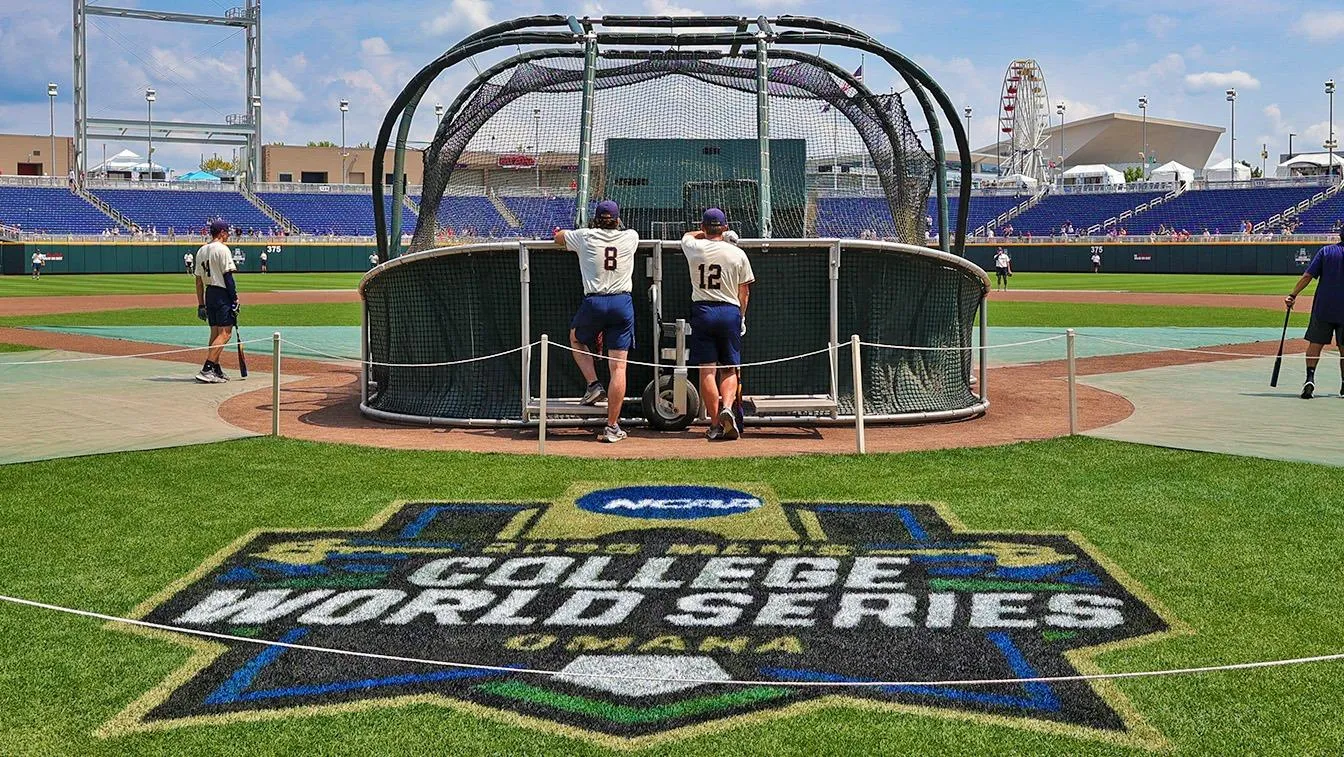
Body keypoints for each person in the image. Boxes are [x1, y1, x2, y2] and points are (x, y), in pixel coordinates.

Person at [552, 199, 639, 443]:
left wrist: (564, 233)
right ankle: (612, 426)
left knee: (576, 339)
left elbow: (559, 236)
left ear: (596, 219)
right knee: (619, 367)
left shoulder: (585, 236)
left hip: (595, 302)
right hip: (622, 303)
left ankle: (593, 384)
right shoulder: (630, 236)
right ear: (618, 219)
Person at [682, 208, 754, 441]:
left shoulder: (693, 246)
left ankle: (715, 424)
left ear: (703, 227)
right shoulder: (737, 254)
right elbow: (744, 292)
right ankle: (728, 406)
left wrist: (706, 232)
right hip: (729, 310)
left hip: (703, 310)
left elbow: (688, 236)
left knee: (707, 370)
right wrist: (741, 316)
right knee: (730, 367)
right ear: (724, 227)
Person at [1285, 228, 1344, 399]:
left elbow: (1307, 276)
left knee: (1315, 343)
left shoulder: (1326, 251)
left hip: (1323, 307)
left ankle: (1309, 378)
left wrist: (1293, 295)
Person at [193, 220, 240, 384]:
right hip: (221, 294)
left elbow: (198, 281)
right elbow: (228, 277)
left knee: (215, 333)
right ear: (221, 232)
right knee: (225, 333)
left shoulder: (201, 250)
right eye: (227, 232)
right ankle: (207, 368)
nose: (228, 235)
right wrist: (234, 298)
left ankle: (216, 368)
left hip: (209, 293)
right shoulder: (222, 249)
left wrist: (201, 304)